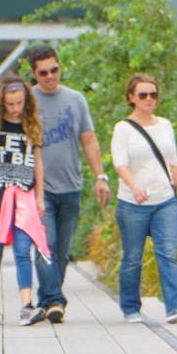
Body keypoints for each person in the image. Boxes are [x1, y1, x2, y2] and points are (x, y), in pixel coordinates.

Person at [27, 45, 109, 323]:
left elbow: (88, 139)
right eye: (43, 72)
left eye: (54, 70)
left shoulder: (76, 100)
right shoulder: (27, 100)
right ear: (34, 74)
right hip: (39, 188)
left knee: (62, 249)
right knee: (45, 243)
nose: (50, 76)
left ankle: (50, 298)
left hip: (71, 185)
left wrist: (100, 176)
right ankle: (53, 300)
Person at [111, 73, 177, 324]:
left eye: (153, 94)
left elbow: (174, 163)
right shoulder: (123, 128)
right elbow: (120, 163)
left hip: (165, 200)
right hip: (133, 202)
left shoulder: (165, 125)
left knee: (167, 252)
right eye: (143, 95)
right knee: (132, 257)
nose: (149, 99)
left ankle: (175, 306)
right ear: (131, 98)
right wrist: (134, 186)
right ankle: (130, 307)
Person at [0, 74, 50, 327]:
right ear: (0, 103)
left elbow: (37, 163)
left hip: (23, 195)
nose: (15, 108)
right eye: (11, 104)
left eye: (20, 103)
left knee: (23, 249)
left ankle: (26, 305)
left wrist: (40, 196)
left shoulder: (31, 125)